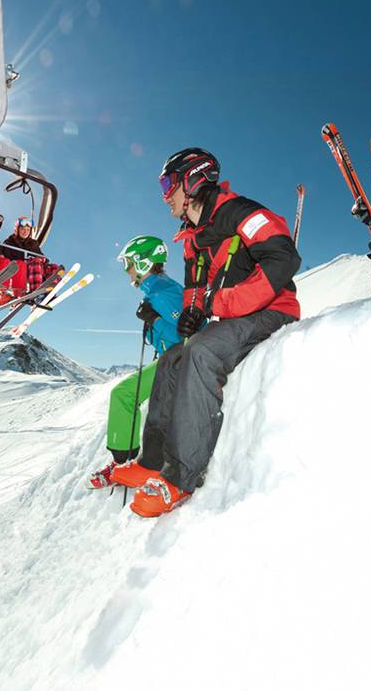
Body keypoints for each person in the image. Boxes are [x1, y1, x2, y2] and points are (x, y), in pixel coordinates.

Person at [126, 147, 301, 518]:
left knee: (200, 352)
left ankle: (181, 476)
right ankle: (152, 460)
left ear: (192, 180)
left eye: (168, 185)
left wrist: (219, 303)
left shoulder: (240, 213)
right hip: (237, 318)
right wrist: (192, 312)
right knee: (172, 359)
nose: (164, 195)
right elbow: (195, 286)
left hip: (274, 312)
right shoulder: (193, 237)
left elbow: (284, 258)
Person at [88, 236, 183, 489]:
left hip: (178, 359)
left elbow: (186, 333)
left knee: (124, 394)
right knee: (125, 393)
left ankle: (123, 463)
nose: (126, 270)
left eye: (129, 263)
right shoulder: (157, 289)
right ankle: (125, 461)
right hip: (171, 357)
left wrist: (154, 319)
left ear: (143, 263)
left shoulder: (163, 292)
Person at [2, 216, 59, 295]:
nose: (25, 232)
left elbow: (41, 255)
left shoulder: (33, 243)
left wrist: (43, 259)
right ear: (17, 230)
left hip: (36, 266)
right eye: (22, 229)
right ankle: (36, 293)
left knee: (53, 267)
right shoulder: (9, 242)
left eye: (27, 230)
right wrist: (28, 259)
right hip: (21, 267)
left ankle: (50, 293)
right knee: (35, 262)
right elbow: (7, 257)